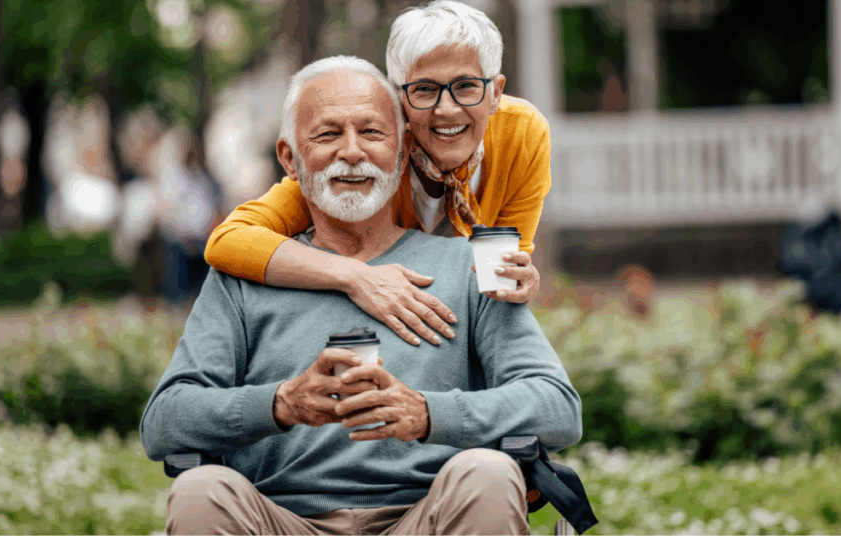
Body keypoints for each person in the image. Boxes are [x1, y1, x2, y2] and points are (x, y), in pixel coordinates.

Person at [140, 56, 582, 536]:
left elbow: (557, 407)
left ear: (402, 149)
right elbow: (164, 421)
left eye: (372, 133)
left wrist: (429, 413)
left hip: (428, 518)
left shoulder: (468, 266)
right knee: (199, 491)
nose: (352, 152)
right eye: (328, 135)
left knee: (490, 474)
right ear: (290, 158)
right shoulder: (242, 279)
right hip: (282, 521)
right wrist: (282, 403)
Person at [204, 0, 550, 349]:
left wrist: (519, 282)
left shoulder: (522, 134)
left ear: (495, 93)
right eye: (425, 90)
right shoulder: (369, 160)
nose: (447, 109)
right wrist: (354, 277)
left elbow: (506, 266)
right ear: (399, 100)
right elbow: (229, 240)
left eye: (466, 86)